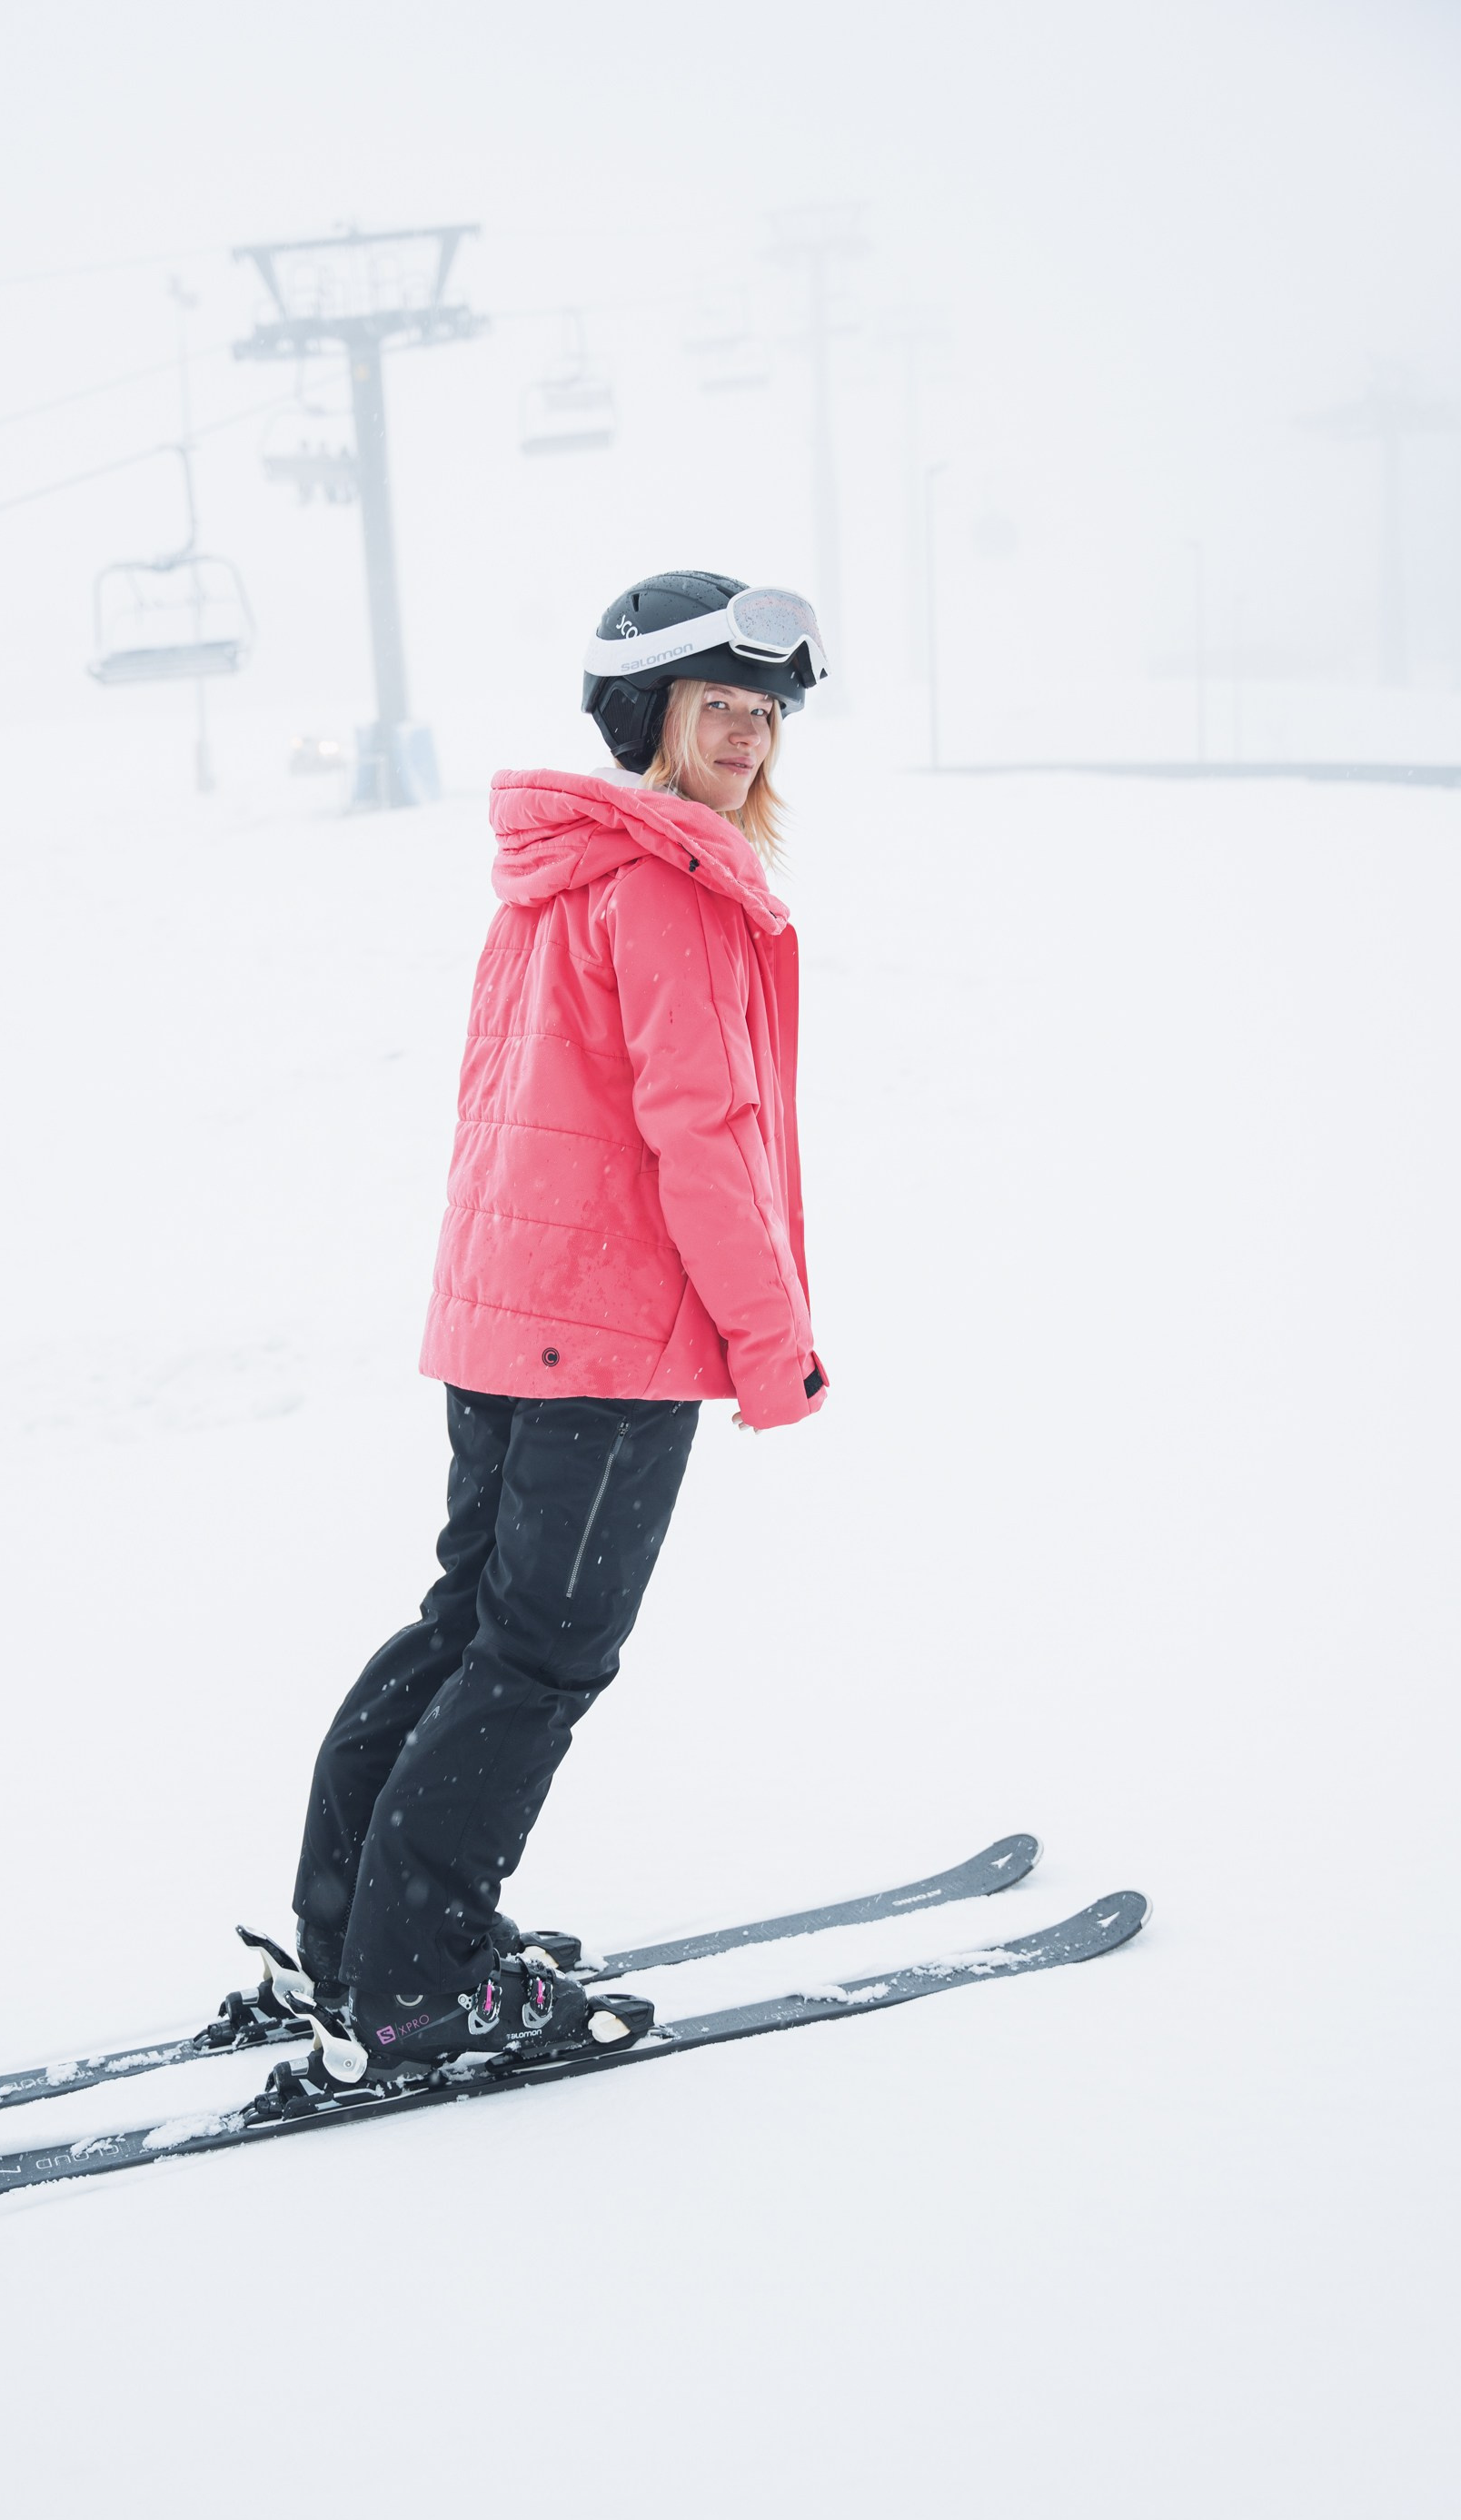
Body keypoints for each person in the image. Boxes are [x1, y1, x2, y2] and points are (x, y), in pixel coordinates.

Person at [288, 570, 830, 2086]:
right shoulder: (668, 884)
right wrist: (771, 1341)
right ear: (646, 713)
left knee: (473, 1625)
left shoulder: (562, 873)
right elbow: (703, 1135)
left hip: (511, 1319)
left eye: (766, 710)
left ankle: (355, 1939)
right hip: (609, 1339)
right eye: (717, 701)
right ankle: (417, 1977)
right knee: (541, 1655)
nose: (747, 732)